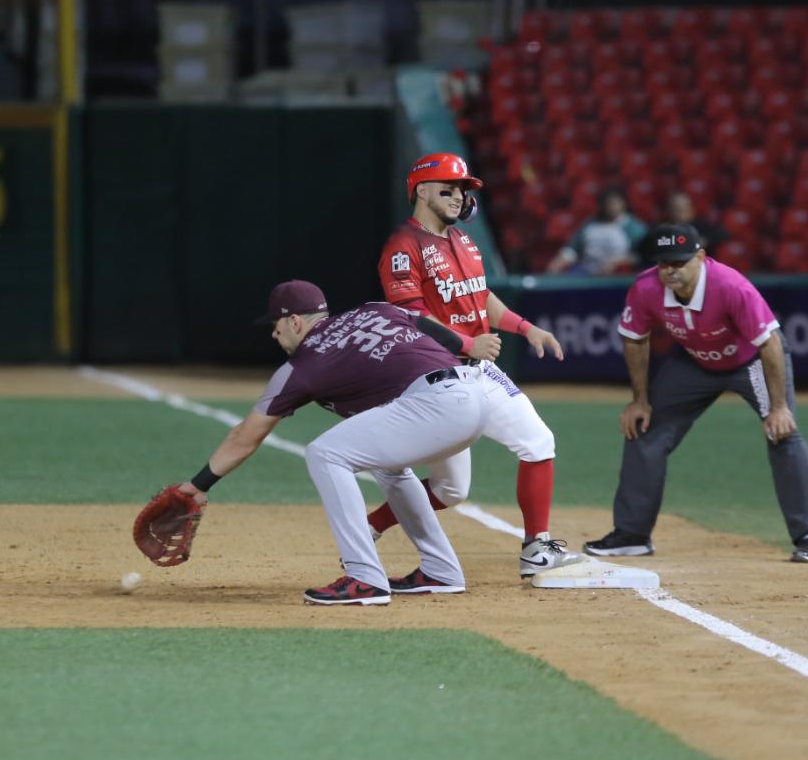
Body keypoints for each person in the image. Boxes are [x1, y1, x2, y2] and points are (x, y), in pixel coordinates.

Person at [175, 279, 507, 605]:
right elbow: (424, 323)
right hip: (473, 392)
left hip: (436, 403)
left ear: (294, 321)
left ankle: (364, 577)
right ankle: (440, 570)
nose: (273, 334)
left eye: (276, 325)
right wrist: (467, 347)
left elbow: (246, 436)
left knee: (325, 453)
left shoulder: (304, 363)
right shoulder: (374, 309)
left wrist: (199, 484)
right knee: (388, 467)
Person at [366, 151, 583, 577]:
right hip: (433, 377)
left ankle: (536, 547)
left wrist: (526, 328)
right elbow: (411, 315)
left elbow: (481, 296)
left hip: (478, 368)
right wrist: (468, 341)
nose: (458, 196)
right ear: (422, 190)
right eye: (448, 187)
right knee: (450, 490)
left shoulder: (463, 239)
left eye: (463, 189)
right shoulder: (402, 246)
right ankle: (368, 525)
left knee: (538, 441)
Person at [584, 223, 808, 564]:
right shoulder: (646, 288)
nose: (670, 271)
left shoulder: (730, 286)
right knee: (644, 428)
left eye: (679, 263)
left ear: (700, 257)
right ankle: (632, 534)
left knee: (783, 433)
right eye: (664, 263)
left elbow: (770, 344)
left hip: (750, 361)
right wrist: (640, 400)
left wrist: (778, 406)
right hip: (696, 362)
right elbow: (635, 338)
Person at [546, 185, 647, 275]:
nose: (611, 207)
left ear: (623, 204)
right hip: (587, 272)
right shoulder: (590, 225)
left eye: (615, 203)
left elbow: (640, 256)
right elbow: (572, 250)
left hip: (618, 275)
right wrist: (558, 262)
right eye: (608, 203)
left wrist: (617, 262)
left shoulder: (633, 227)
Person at [634, 190, 727, 265]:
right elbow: (641, 248)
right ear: (668, 211)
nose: (679, 213)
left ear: (691, 209)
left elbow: (722, 234)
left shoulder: (702, 227)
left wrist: (705, 240)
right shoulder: (661, 229)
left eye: (682, 209)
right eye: (675, 209)